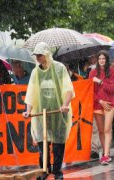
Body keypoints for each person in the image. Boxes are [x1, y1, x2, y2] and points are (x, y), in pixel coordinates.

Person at [22, 42, 74, 180]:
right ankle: (44, 170)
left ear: (46, 54)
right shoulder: (35, 72)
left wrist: (65, 104)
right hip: (41, 114)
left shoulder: (59, 68)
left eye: (40, 55)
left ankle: (57, 171)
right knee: (42, 143)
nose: (38, 58)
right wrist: (28, 111)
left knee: (58, 144)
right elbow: (31, 94)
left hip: (58, 113)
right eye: (36, 55)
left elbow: (68, 89)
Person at [89, 50, 114, 166]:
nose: (101, 61)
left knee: (107, 129)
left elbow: (112, 89)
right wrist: (100, 101)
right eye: (100, 59)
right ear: (97, 60)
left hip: (110, 104)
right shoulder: (92, 73)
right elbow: (90, 91)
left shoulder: (112, 71)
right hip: (98, 104)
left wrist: (100, 82)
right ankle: (106, 152)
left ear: (106, 60)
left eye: (103, 59)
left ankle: (105, 155)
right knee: (101, 130)